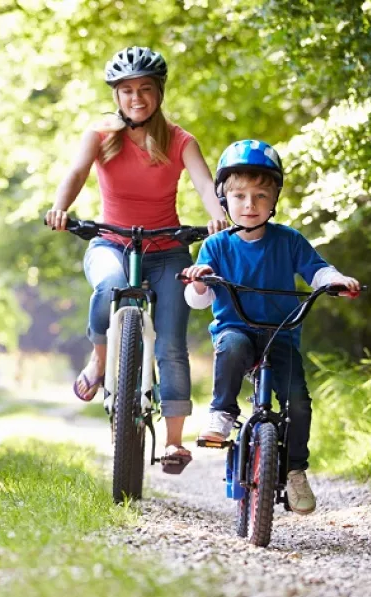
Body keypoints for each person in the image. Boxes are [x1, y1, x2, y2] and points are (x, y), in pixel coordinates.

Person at [45, 46, 228, 474]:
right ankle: (100, 356)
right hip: (111, 243)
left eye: (145, 89)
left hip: (167, 252)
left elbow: (204, 183)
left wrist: (217, 212)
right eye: (126, 91)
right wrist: (60, 206)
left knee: (170, 345)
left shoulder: (181, 140)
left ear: (159, 93)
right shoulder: (101, 135)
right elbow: (74, 173)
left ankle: (174, 443)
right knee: (108, 285)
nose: (136, 98)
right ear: (116, 96)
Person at [182, 139, 360, 514]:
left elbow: (317, 269)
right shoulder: (215, 246)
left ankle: (295, 470)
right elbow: (198, 300)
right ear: (224, 199)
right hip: (238, 329)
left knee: (298, 401)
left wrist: (336, 280)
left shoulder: (289, 240)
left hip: (281, 333)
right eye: (240, 196)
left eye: (261, 196)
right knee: (230, 348)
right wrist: (201, 279)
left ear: (275, 198)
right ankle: (222, 412)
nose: (250, 205)